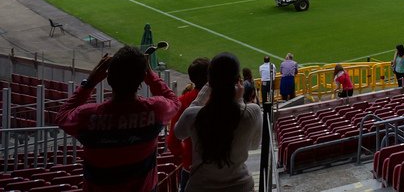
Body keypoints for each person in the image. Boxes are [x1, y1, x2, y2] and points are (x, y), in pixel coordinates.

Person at [56, 46, 180, 192]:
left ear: (108, 77)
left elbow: (62, 116)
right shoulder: (156, 110)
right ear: (142, 78)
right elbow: (174, 101)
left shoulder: (88, 116)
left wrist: (90, 82)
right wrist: (150, 75)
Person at [174, 52, 262, 192]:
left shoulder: (194, 114)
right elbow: (253, 145)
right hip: (241, 187)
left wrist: (199, 99)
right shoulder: (253, 112)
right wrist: (239, 100)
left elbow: (179, 133)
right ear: (238, 81)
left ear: (209, 82)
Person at [168, 57, 210, 192]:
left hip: (190, 165)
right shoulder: (222, 98)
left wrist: (184, 155)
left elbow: (173, 141)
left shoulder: (182, 101)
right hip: (220, 166)